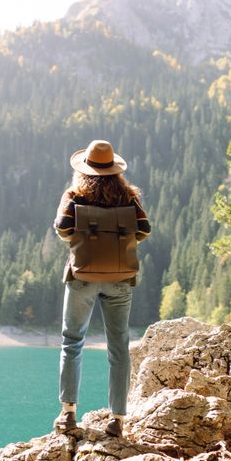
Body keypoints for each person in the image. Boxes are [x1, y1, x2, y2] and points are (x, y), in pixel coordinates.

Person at [52, 139, 151, 438]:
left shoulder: (74, 195)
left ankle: (68, 413)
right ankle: (117, 418)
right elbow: (144, 230)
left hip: (83, 277)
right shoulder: (129, 197)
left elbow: (61, 227)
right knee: (119, 347)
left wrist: (85, 237)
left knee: (72, 342)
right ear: (114, 169)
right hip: (120, 279)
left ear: (85, 169)